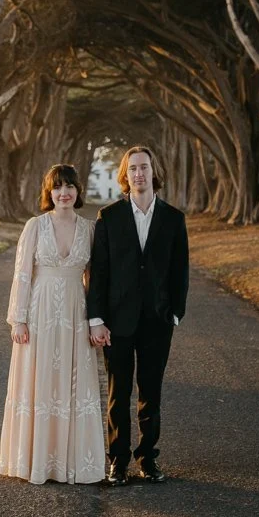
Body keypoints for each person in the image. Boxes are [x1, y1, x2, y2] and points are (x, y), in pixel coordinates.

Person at [87, 146, 189, 486]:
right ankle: (118, 461)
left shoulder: (173, 219)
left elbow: (180, 270)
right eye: (133, 169)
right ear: (125, 175)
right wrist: (96, 318)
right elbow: (98, 273)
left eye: (144, 167)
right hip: (117, 322)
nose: (139, 174)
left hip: (157, 322)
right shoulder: (110, 217)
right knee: (118, 394)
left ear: (153, 171)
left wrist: (175, 313)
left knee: (151, 393)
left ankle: (148, 458)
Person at [0, 164, 105, 484]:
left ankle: (69, 462)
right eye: (57, 187)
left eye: (70, 186)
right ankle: (35, 460)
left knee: (71, 384)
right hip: (40, 313)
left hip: (75, 313)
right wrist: (19, 319)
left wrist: (95, 321)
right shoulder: (35, 226)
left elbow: (94, 279)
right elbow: (22, 274)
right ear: (49, 192)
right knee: (40, 380)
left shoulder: (90, 229)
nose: (64, 193)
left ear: (78, 191)